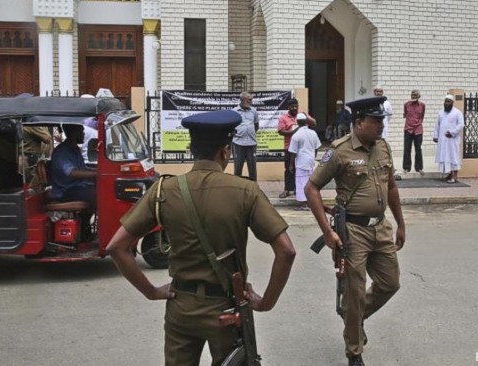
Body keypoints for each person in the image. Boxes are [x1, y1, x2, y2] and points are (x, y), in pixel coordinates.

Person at [106, 109, 296, 366]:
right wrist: (266, 303)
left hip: (180, 306)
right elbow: (286, 251)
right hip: (227, 307)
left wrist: (150, 291)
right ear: (226, 151)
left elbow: (117, 247)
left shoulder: (164, 190)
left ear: (191, 149)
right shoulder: (245, 190)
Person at [304, 96, 406, 366]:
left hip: (381, 226)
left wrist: (401, 224)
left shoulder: (384, 147)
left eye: (382, 120)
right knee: (355, 291)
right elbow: (311, 188)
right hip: (353, 231)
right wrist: (327, 232)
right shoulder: (338, 151)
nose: (381, 126)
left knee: (390, 283)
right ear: (358, 123)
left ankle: (354, 316)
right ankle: (354, 352)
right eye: (376, 121)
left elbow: (392, 187)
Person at [49, 124, 97, 209]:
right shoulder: (62, 152)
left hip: (78, 186)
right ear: (73, 133)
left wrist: (99, 170)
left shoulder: (75, 149)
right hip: (66, 191)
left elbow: (83, 169)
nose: (84, 134)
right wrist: (96, 173)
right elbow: (72, 173)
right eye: (81, 131)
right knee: (98, 193)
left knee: (105, 188)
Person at [277, 98, 316, 198]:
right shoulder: (283, 118)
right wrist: (294, 131)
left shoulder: (302, 116)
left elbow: (314, 124)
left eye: (296, 106)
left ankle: (297, 189)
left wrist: (306, 116)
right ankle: (287, 189)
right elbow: (281, 131)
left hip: (302, 148)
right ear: (288, 107)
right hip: (289, 147)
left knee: (299, 170)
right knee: (289, 169)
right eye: (292, 106)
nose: (294, 108)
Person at [288, 113, 321, 210]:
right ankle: (310, 202)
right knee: (310, 182)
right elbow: (317, 148)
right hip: (310, 161)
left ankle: (304, 204)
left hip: (301, 162)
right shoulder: (313, 133)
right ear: (306, 122)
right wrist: (313, 157)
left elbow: (293, 152)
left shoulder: (296, 135)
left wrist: (290, 165)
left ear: (297, 122)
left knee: (301, 182)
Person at [433, 94, 465, 183]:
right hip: (443, 140)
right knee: (446, 157)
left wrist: (452, 132)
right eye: (445, 101)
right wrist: (435, 136)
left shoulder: (457, 112)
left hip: (452, 140)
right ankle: (449, 175)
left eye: (448, 101)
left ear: (452, 102)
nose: (446, 103)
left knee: (453, 156)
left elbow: (461, 125)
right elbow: (437, 125)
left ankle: (455, 176)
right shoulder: (441, 113)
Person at [232, 91, 259, 180]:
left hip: (251, 143)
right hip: (238, 144)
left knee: (252, 169)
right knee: (238, 168)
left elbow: (256, 125)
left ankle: (254, 188)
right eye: (249, 100)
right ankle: (236, 189)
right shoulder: (234, 112)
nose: (251, 102)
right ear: (242, 100)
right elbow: (231, 127)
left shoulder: (253, 111)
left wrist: (249, 132)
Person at [402, 90, 426, 175]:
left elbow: (422, 116)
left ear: (419, 96)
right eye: (412, 95)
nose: (413, 96)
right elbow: (405, 114)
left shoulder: (422, 105)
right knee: (407, 149)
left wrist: (417, 123)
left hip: (418, 130)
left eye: (415, 95)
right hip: (408, 129)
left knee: (418, 149)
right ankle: (406, 168)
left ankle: (419, 168)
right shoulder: (406, 105)